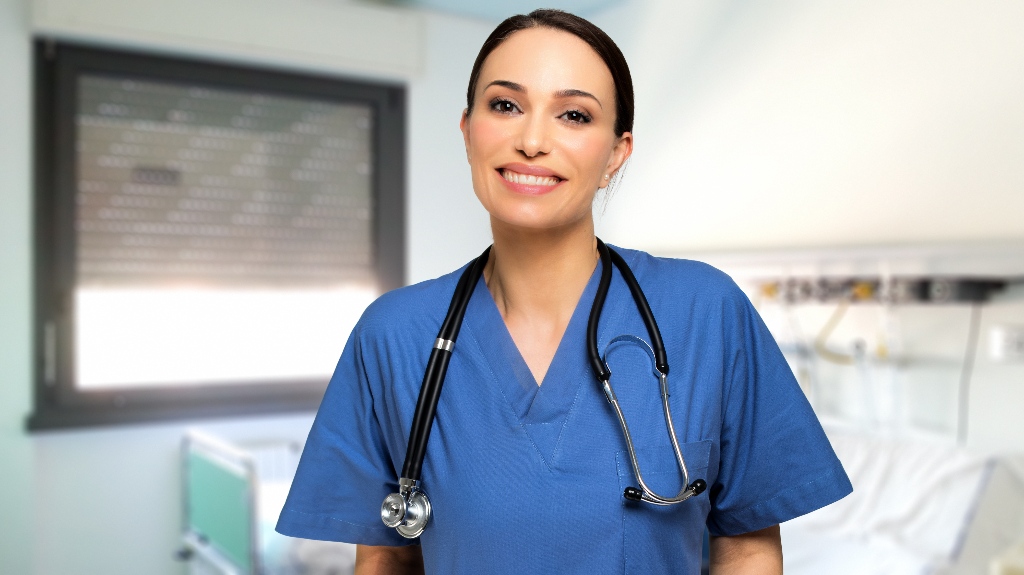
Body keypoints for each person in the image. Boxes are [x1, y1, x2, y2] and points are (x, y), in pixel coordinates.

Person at [277, 9, 852, 574]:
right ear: (468, 131)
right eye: (505, 106)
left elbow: (747, 546)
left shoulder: (705, 312)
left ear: (616, 153)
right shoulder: (394, 334)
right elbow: (386, 558)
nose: (531, 140)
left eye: (574, 115)